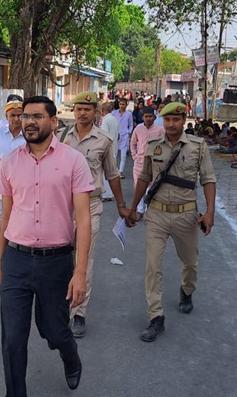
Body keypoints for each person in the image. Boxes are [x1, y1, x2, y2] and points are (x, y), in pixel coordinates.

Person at [0, 96, 94, 397]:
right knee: (12, 340)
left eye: (37, 116)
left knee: (53, 329)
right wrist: (1, 263)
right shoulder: (9, 163)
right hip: (17, 260)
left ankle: (69, 354)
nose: (29, 122)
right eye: (25, 116)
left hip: (56, 262)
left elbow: (83, 220)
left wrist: (80, 272)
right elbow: (6, 215)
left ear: (53, 121)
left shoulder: (73, 161)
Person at [126, 102, 216, 342]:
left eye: (176, 120)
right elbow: (144, 178)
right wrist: (133, 209)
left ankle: (187, 290)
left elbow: (208, 179)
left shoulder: (198, 146)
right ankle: (156, 316)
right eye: (167, 120)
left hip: (186, 215)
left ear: (184, 120)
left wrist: (210, 212)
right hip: (156, 214)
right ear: (162, 121)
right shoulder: (153, 145)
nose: (171, 124)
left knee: (190, 262)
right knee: (152, 265)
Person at [59, 92, 130, 337]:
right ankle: (62, 302)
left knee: (84, 259)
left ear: (96, 113)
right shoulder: (61, 136)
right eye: (78, 109)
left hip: (90, 206)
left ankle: (79, 312)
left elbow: (112, 174)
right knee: (61, 257)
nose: (82, 113)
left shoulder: (104, 140)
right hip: (63, 206)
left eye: (87, 109)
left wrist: (121, 204)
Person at [0, 98, 26, 242]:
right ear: (6, 116)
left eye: (20, 115)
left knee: (19, 232)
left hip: (22, 191)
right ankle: (3, 255)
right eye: (13, 115)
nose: (16, 119)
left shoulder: (31, 137)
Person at [130, 107, 166, 188]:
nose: (148, 118)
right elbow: (133, 144)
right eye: (146, 116)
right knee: (138, 187)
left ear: (154, 117)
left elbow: (164, 145)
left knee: (152, 188)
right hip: (139, 162)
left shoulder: (160, 130)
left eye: (150, 116)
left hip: (154, 163)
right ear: (143, 117)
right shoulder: (138, 129)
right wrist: (134, 156)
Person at [99, 101, 120, 201]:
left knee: (105, 173)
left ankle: (106, 194)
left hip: (107, 149)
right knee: (111, 172)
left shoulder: (105, 120)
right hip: (114, 147)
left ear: (102, 110)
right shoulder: (114, 119)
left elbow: (104, 136)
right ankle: (109, 193)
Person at [113, 97, 133, 177]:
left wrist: (129, 132)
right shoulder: (114, 113)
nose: (121, 106)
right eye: (120, 104)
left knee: (123, 156)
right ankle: (114, 170)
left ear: (126, 105)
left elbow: (131, 125)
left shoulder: (129, 114)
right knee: (114, 155)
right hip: (115, 135)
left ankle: (120, 171)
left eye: (123, 104)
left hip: (124, 136)